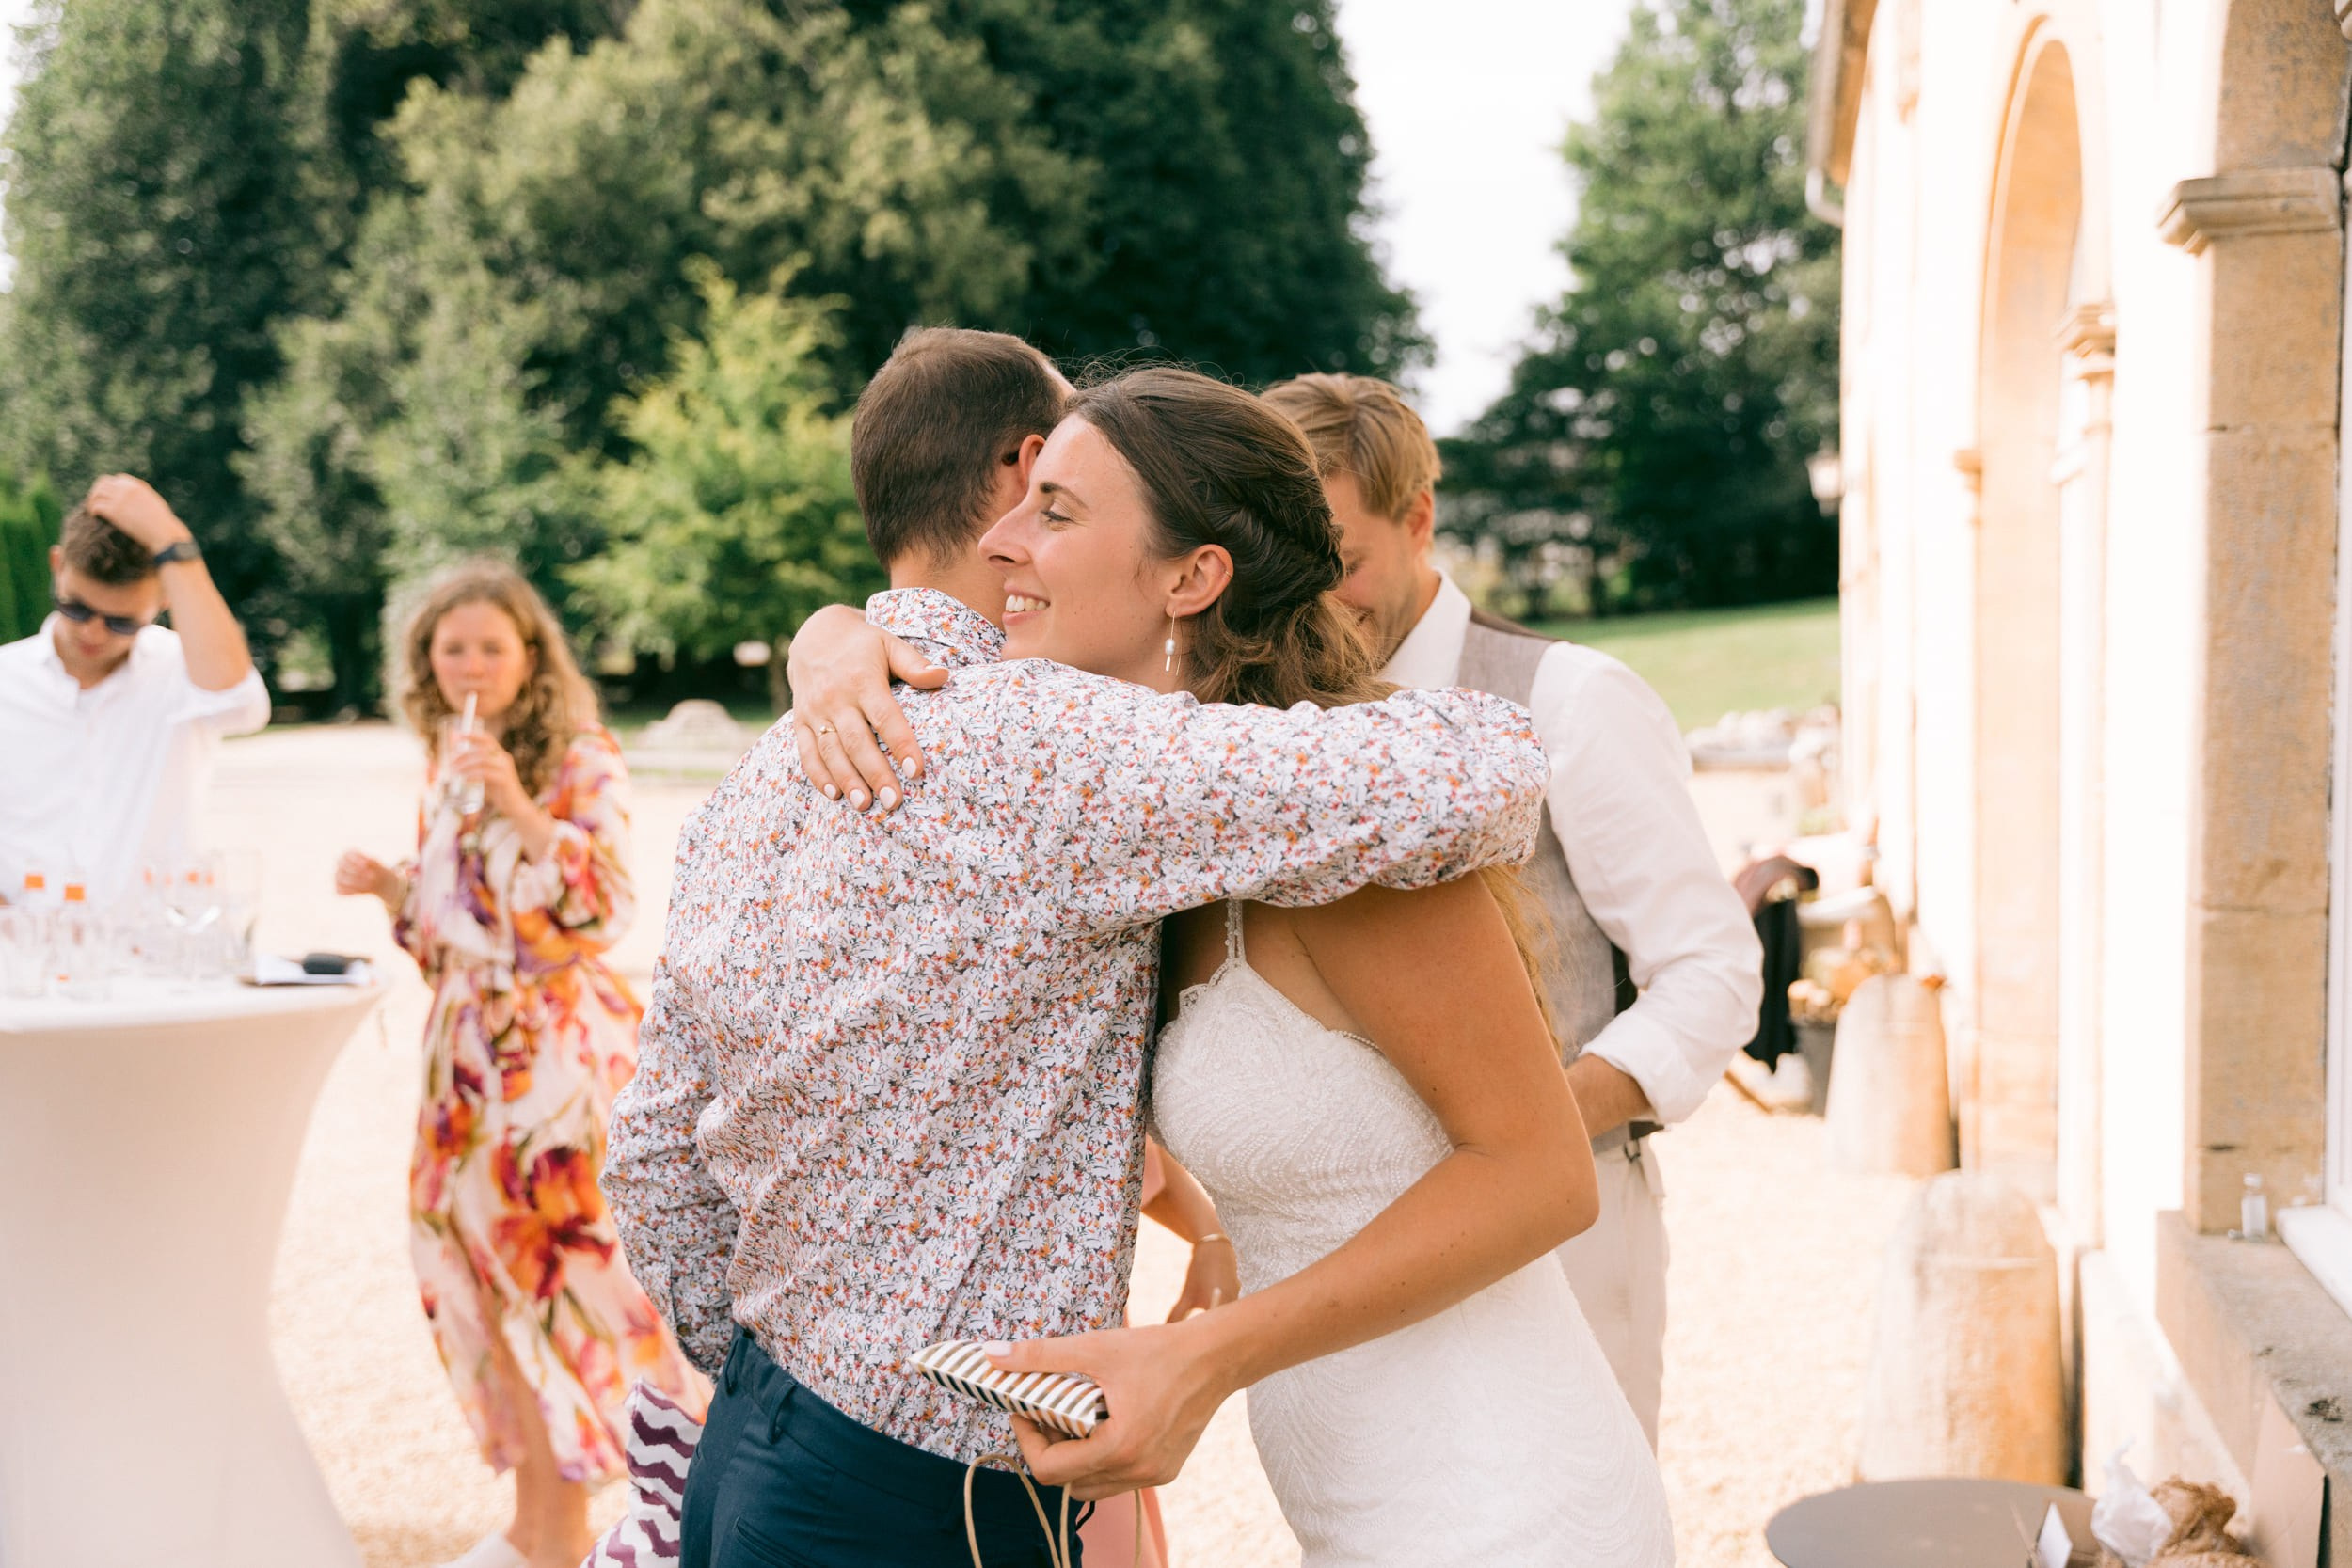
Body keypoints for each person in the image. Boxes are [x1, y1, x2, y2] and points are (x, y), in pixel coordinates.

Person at [603, 340, 1559, 1568]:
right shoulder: (1047, 743)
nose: (1023, 536)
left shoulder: (761, 771)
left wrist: (787, 1373)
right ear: (1016, 468)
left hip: (753, 1446)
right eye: (1043, 490)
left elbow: (651, 1153)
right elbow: (1488, 768)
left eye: (1063, 508)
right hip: (930, 1486)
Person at [974, 368, 1674, 1565]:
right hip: (1354, 1503)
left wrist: (1205, 1355)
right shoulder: (1166, 837)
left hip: (1505, 1506)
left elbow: (1542, 1173)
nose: (1000, 539)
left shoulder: (1350, 835)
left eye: (1055, 509)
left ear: (1190, 578)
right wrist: (833, 647)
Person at [1252, 372, 1763, 1447]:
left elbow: (1711, 972)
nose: (1316, 602)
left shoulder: (1570, 696)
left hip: (1564, 1241)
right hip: (1346, 1260)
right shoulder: (1270, 721)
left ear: (1418, 518)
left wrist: (1531, 1130)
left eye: (1341, 562)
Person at [334, 559, 707, 1568]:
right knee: (481, 1282)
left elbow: (605, 907)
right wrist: (392, 893)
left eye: (491, 646)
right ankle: (544, 1523)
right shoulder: (445, 763)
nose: (471, 663)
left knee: (572, 1281)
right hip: (460, 1064)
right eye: (451, 647)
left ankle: (660, 1509)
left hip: (549, 1063)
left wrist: (519, 804)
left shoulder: (579, 755)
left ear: (530, 655)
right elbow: (454, 936)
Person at [0, 475, 268, 906]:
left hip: (156, 944)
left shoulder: (184, 671)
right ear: (57, 565)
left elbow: (240, 705)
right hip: (21, 944)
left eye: (120, 622)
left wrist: (173, 541)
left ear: (165, 600)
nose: (92, 632)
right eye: (76, 607)